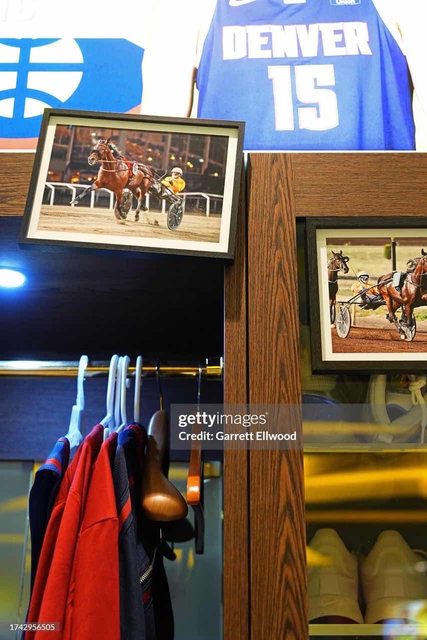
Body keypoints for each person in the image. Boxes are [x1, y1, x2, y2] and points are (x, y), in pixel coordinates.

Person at [141, 0, 427, 151]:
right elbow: (159, 129)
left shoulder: (401, 5)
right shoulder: (184, 7)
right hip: (246, 224)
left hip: (372, 217)